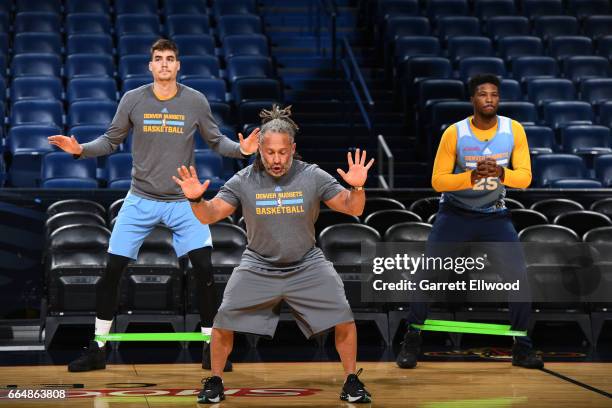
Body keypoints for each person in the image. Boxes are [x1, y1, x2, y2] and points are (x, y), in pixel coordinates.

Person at [48, 39, 260, 372]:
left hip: (183, 201)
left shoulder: (195, 101)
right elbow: (110, 140)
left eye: (170, 59)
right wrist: (79, 150)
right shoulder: (133, 99)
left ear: (178, 66)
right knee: (112, 270)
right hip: (140, 199)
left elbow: (218, 141)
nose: (164, 64)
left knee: (204, 269)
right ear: (150, 66)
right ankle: (98, 349)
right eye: (158, 59)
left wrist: (244, 150)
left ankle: (211, 349)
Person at [173, 105, 374, 404]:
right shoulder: (243, 180)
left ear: (293, 148)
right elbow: (210, 214)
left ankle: (350, 381)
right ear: (260, 150)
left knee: (343, 315)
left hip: (307, 263)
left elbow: (353, 207)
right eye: (269, 153)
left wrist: (356, 187)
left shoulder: (313, 176)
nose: (276, 159)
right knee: (223, 320)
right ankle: (214, 380)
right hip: (258, 264)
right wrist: (196, 198)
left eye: (282, 152)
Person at [395, 74, 544, 370]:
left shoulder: (513, 130)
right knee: (427, 275)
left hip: (495, 216)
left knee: (518, 278)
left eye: (494, 95)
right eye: (482, 94)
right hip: (455, 214)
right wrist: (472, 176)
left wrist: (501, 174)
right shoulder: (455, 132)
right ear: (472, 99)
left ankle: (522, 347)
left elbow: (525, 177)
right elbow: (437, 181)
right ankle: (411, 339)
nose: (489, 99)